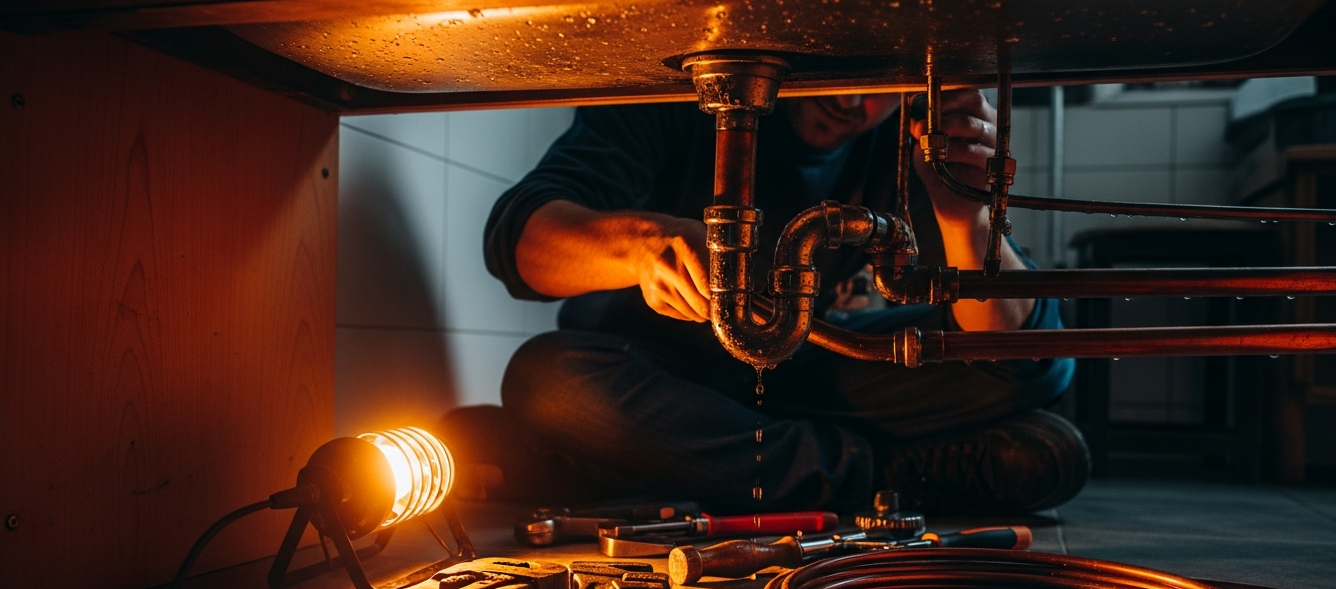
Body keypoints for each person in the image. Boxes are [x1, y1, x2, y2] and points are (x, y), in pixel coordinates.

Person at [443, 90, 1089, 514]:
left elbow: (1024, 360)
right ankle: (877, 478)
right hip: (655, 380)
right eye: (834, 65)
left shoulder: (899, 150)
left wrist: (966, 221)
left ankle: (644, 474)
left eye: (877, 81)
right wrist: (645, 247)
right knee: (548, 383)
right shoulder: (670, 97)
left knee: (1052, 439)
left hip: (795, 372)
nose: (851, 100)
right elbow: (517, 241)